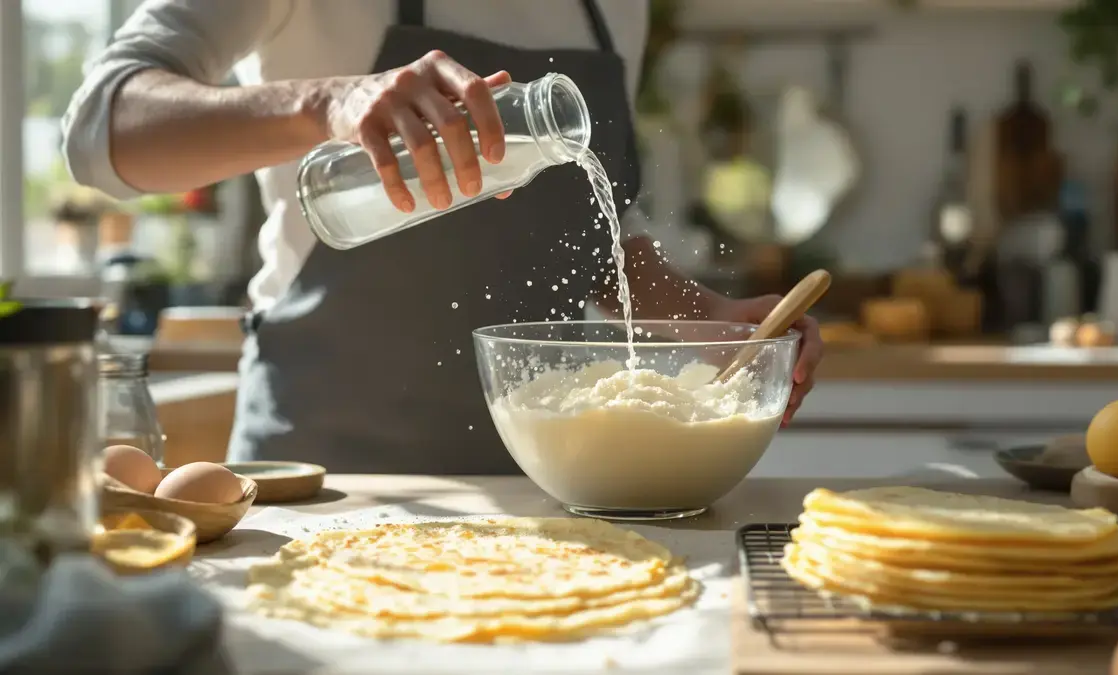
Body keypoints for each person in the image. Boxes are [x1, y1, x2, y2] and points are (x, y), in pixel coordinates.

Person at [63, 0, 824, 475]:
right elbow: (100, 129)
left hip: (550, 488)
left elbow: (588, 227)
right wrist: (329, 102)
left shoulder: (614, 6)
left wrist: (697, 317)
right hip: (323, 475)